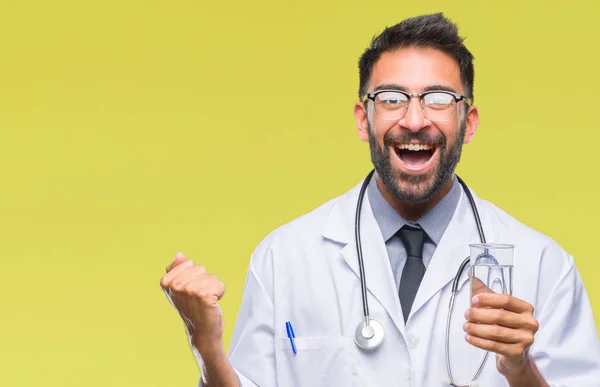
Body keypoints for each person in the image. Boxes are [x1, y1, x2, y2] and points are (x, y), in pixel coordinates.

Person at [159, 13, 600, 386]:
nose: (413, 119)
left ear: (468, 123)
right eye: (391, 99)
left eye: (439, 99)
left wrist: (521, 369)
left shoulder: (544, 266)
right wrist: (206, 345)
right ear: (362, 119)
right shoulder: (285, 257)